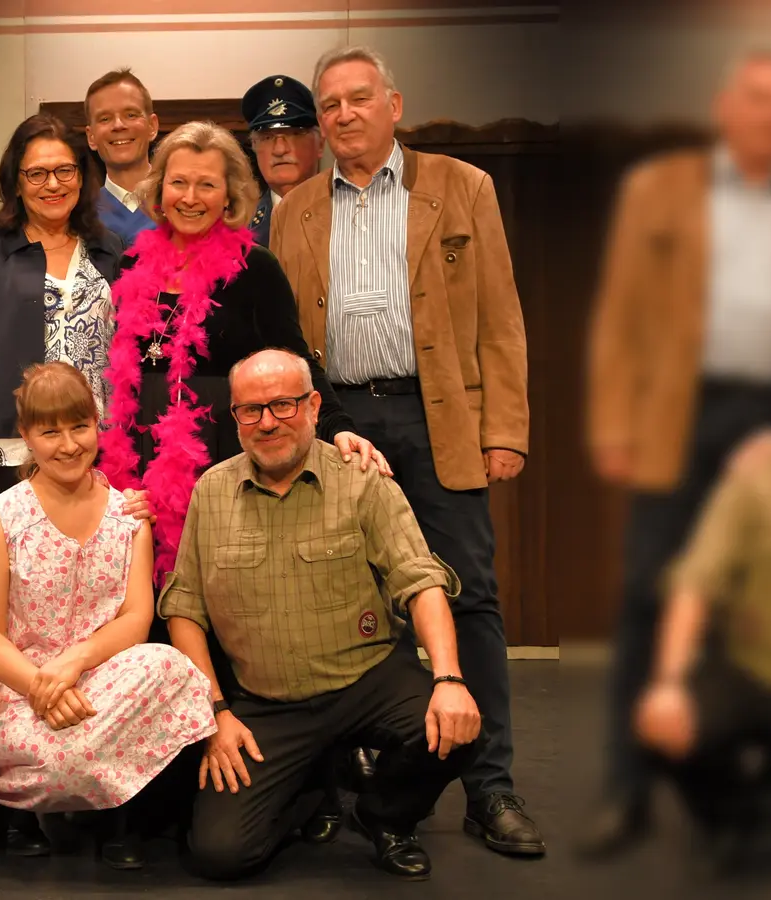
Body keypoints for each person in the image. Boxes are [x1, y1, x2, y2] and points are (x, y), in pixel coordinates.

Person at [269, 45, 541, 857]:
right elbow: (288, 332)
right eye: (330, 104)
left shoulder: (463, 186)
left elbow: (500, 316)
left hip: (439, 415)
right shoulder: (295, 208)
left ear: (394, 105)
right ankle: (377, 785)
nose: (344, 114)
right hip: (339, 418)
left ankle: (491, 788)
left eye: (359, 98)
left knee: (471, 598)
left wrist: (506, 431)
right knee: (346, 603)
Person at [583, 49, 771, 857]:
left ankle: (759, 791)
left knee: (765, 597)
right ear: (725, 106)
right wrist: (612, 426)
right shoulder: (662, 190)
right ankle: (625, 791)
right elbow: (620, 317)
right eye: (757, 101)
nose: (770, 118)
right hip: (679, 414)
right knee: (649, 600)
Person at [161, 348, 479, 882]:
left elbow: (420, 581)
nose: (267, 423)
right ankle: (313, 783)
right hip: (268, 704)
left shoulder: (361, 479)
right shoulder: (211, 491)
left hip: (366, 681)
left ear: (312, 406)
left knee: (459, 730)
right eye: (251, 410)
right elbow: (184, 607)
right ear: (234, 416)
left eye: (283, 405)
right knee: (220, 854)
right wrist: (216, 713)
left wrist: (449, 678)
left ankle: (384, 815)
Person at [101, 120, 383, 582]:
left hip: (224, 450)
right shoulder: (133, 261)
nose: (190, 197)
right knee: (147, 584)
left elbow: (295, 358)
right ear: (159, 189)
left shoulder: (255, 267)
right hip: (143, 447)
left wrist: (338, 427)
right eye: (179, 182)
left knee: (222, 584)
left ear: (229, 196)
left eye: (206, 184)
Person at [0, 362, 216, 870]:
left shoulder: (129, 516)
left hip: (102, 685)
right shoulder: (0, 518)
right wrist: (42, 684)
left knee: (171, 668)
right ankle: (37, 808)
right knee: (56, 750)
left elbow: (135, 617)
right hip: (21, 692)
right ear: (26, 436)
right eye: (49, 431)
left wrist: (75, 662)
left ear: (97, 424)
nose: (67, 445)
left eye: (78, 427)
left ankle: (111, 807)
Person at [633, 360, 771, 876]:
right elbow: (694, 584)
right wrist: (668, 683)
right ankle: (742, 818)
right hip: (757, 672)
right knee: (665, 726)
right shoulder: (757, 483)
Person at [0, 114, 123, 493]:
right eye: (37, 174)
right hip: (9, 448)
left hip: (96, 443)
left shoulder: (108, 249)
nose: (53, 184)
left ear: (81, 175)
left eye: (64, 170)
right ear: (16, 181)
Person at [241, 74, 323, 246]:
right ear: (254, 146)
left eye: (294, 134)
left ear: (320, 144)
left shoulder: (347, 215)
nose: (280, 149)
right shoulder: (238, 227)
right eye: (267, 138)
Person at [84, 69, 160, 246]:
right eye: (105, 119)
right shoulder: (78, 215)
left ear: (152, 126)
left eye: (131, 115)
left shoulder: (182, 203)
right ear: (91, 137)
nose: (118, 125)